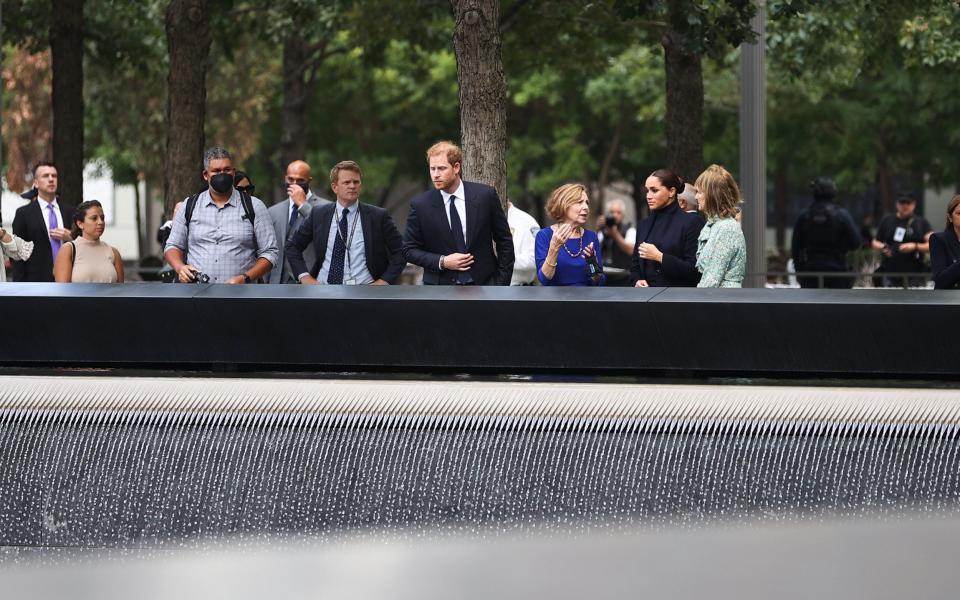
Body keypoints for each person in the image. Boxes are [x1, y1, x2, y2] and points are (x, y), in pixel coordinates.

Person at [402, 141, 514, 285]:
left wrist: (501, 283)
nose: (436, 174)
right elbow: (408, 250)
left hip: (485, 286)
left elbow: (504, 240)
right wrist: (442, 261)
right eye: (432, 169)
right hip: (440, 290)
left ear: (456, 167)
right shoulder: (420, 205)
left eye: (441, 168)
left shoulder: (485, 196)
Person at [163, 147, 279, 284]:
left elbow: (270, 252)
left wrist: (246, 278)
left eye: (227, 170)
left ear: (234, 172)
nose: (222, 174)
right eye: (216, 171)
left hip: (241, 295)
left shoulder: (254, 206)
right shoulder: (189, 206)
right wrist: (180, 268)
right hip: (197, 295)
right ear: (206, 175)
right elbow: (172, 246)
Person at [286, 160, 405, 285]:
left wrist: (383, 281)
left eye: (356, 182)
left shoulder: (378, 216)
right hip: (324, 290)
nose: (352, 186)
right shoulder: (319, 214)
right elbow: (292, 246)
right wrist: (304, 277)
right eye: (347, 182)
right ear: (334, 187)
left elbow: (401, 252)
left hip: (365, 292)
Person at [630, 168, 701, 288]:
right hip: (645, 300)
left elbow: (695, 270)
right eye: (647, 191)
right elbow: (635, 265)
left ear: (672, 192)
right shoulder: (644, 225)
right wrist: (637, 280)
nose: (648, 196)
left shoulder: (691, 222)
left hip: (676, 300)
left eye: (654, 190)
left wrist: (659, 257)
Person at [267, 160, 332, 283]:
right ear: (285, 178)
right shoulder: (273, 211)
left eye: (300, 180)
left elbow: (325, 233)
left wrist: (303, 205)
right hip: (278, 283)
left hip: (312, 280)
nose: (295, 184)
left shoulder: (326, 207)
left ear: (309, 180)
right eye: (290, 179)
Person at [791, 177, 862, 288]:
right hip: (837, 272)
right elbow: (856, 242)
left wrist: (800, 271)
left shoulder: (804, 216)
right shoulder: (842, 215)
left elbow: (795, 248)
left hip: (810, 272)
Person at [11, 162, 75, 282]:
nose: (51, 179)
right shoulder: (23, 214)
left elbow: (83, 244)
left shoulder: (70, 211)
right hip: (36, 283)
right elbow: (17, 254)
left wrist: (71, 237)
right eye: (46, 176)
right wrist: (19, 287)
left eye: (54, 176)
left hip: (68, 280)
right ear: (35, 183)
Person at [535, 183, 604, 286]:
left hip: (586, 299)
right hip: (556, 300)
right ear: (564, 204)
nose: (586, 207)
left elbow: (598, 282)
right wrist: (554, 247)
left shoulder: (591, 237)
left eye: (587, 203)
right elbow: (544, 279)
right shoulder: (544, 235)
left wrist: (592, 263)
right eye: (579, 202)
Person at [693, 165, 746, 288]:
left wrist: (694, 304)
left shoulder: (727, 228)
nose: (696, 197)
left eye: (699, 192)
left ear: (713, 194)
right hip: (718, 299)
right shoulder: (715, 225)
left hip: (723, 301)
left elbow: (712, 280)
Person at [53, 200, 124, 283]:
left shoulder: (113, 252)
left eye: (102, 218)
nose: (100, 222)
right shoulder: (69, 249)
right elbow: (62, 291)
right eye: (94, 218)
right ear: (80, 224)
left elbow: (120, 291)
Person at [871, 193, 933, 287]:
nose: (905, 206)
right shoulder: (887, 220)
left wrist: (915, 246)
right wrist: (883, 247)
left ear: (914, 204)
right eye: (902, 202)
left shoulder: (921, 223)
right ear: (897, 204)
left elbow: (933, 244)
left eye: (908, 203)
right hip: (890, 274)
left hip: (915, 275)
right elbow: (875, 242)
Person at [595, 198, 636, 286]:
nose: (615, 215)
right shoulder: (603, 229)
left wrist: (614, 234)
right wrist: (597, 229)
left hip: (623, 276)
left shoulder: (630, 230)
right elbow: (593, 247)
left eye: (618, 212)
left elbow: (631, 250)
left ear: (623, 215)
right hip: (605, 274)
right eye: (612, 212)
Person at [929, 194, 960, 290]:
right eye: (959, 213)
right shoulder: (938, 239)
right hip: (949, 300)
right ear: (950, 217)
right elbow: (940, 279)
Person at [507, 200, 539, 285]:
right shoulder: (479, 217)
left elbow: (535, 259)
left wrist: (502, 260)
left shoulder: (526, 221)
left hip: (518, 291)